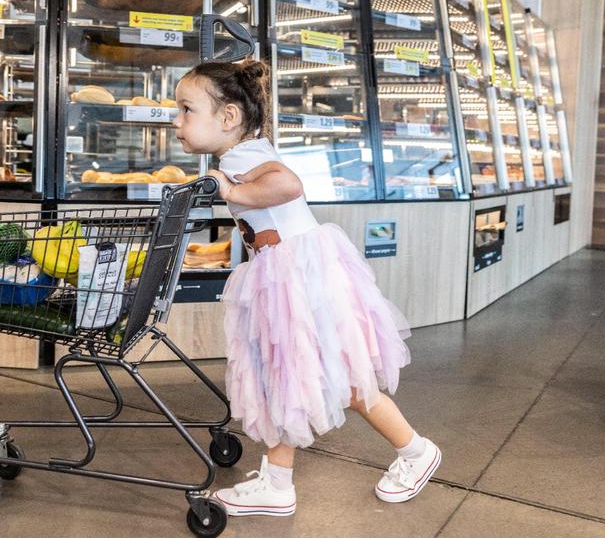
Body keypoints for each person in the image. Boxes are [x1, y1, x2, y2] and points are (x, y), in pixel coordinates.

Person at [171, 59, 441, 517]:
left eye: (185, 110)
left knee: (320, 378)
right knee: (290, 377)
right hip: (294, 274)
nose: (177, 122)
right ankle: (278, 481)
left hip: (293, 278)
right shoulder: (244, 152)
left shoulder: (240, 157)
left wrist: (230, 192)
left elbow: (288, 185)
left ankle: (415, 451)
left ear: (228, 117)